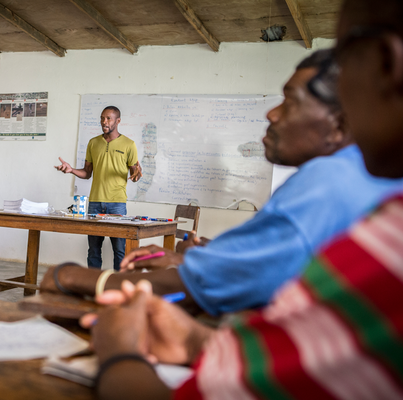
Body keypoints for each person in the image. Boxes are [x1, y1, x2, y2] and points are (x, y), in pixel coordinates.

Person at [83, 2, 403, 395]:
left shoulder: (332, 178)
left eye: (290, 99)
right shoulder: (382, 202)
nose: (271, 113)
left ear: (386, 65)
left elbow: (221, 284)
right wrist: (198, 328)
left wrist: (116, 348)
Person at [42, 49, 403, 317]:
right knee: (99, 252)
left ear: (340, 124)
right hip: (95, 200)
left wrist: (71, 276)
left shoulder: (326, 185)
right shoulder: (360, 176)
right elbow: (273, 261)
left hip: (118, 203)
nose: (271, 113)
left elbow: (206, 285)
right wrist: (206, 254)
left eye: (290, 101)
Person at [55, 106, 142, 270]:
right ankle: (93, 285)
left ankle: (118, 286)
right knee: (93, 250)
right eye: (102, 118)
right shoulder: (93, 143)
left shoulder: (129, 144)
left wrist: (138, 173)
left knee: (120, 251)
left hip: (117, 204)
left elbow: (134, 175)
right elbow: (87, 173)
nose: (104, 122)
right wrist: (71, 170)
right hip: (95, 203)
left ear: (118, 121)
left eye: (108, 118)